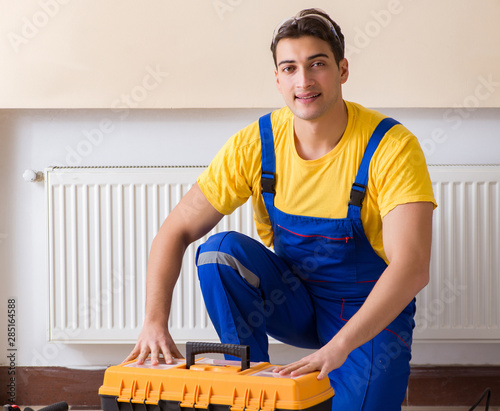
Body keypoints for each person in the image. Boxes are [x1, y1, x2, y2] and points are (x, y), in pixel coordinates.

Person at [125, 8, 436, 410]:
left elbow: (411, 266)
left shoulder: (391, 147)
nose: (303, 81)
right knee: (219, 252)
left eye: (317, 65)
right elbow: (176, 230)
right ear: (277, 78)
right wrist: (154, 322)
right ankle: (249, 387)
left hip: (367, 313)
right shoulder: (256, 144)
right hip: (296, 301)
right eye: (289, 68)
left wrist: (338, 348)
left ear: (342, 70)